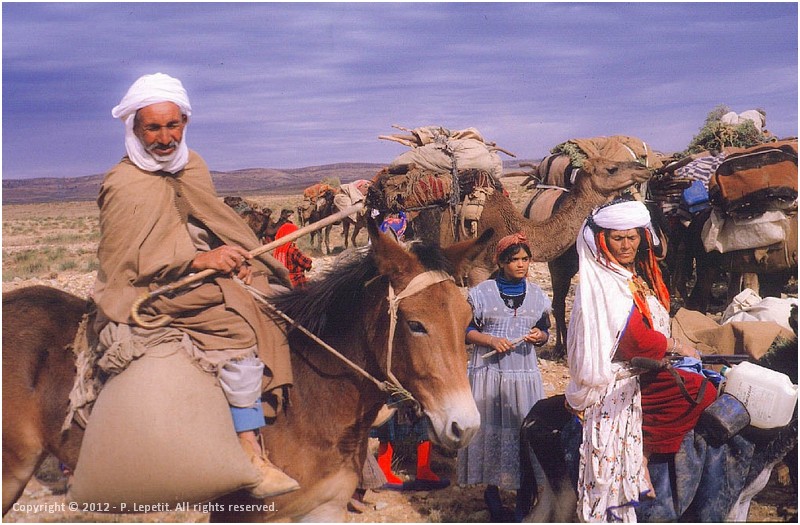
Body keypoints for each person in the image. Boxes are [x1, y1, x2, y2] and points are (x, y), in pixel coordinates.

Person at [93, 73, 299, 499]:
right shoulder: (122, 183)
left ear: (185, 121)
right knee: (237, 326)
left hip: (205, 275)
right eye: (153, 127)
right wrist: (197, 262)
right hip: (147, 292)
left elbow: (213, 224)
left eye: (173, 125)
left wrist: (238, 259)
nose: (165, 137)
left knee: (284, 301)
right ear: (134, 128)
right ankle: (248, 448)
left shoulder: (194, 166)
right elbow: (121, 265)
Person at [565, 198, 716, 522]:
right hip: (620, 375)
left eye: (632, 237)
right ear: (603, 240)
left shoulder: (626, 276)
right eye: (618, 238)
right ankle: (642, 455)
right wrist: (676, 345)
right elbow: (635, 341)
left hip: (643, 363)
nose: (626, 246)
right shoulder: (607, 285)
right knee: (699, 390)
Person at [456, 232, 551, 520]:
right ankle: (492, 491)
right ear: (500, 262)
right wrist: (490, 340)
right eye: (514, 260)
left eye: (525, 259)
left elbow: (545, 331)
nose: (521, 264)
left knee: (523, 428)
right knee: (491, 428)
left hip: (524, 375)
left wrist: (539, 336)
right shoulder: (481, 294)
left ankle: (524, 494)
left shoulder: (537, 296)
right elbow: (466, 331)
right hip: (489, 375)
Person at [273, 222, 313, 287]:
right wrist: (308, 257)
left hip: (284, 281)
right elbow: (307, 264)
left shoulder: (277, 250)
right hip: (296, 282)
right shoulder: (293, 250)